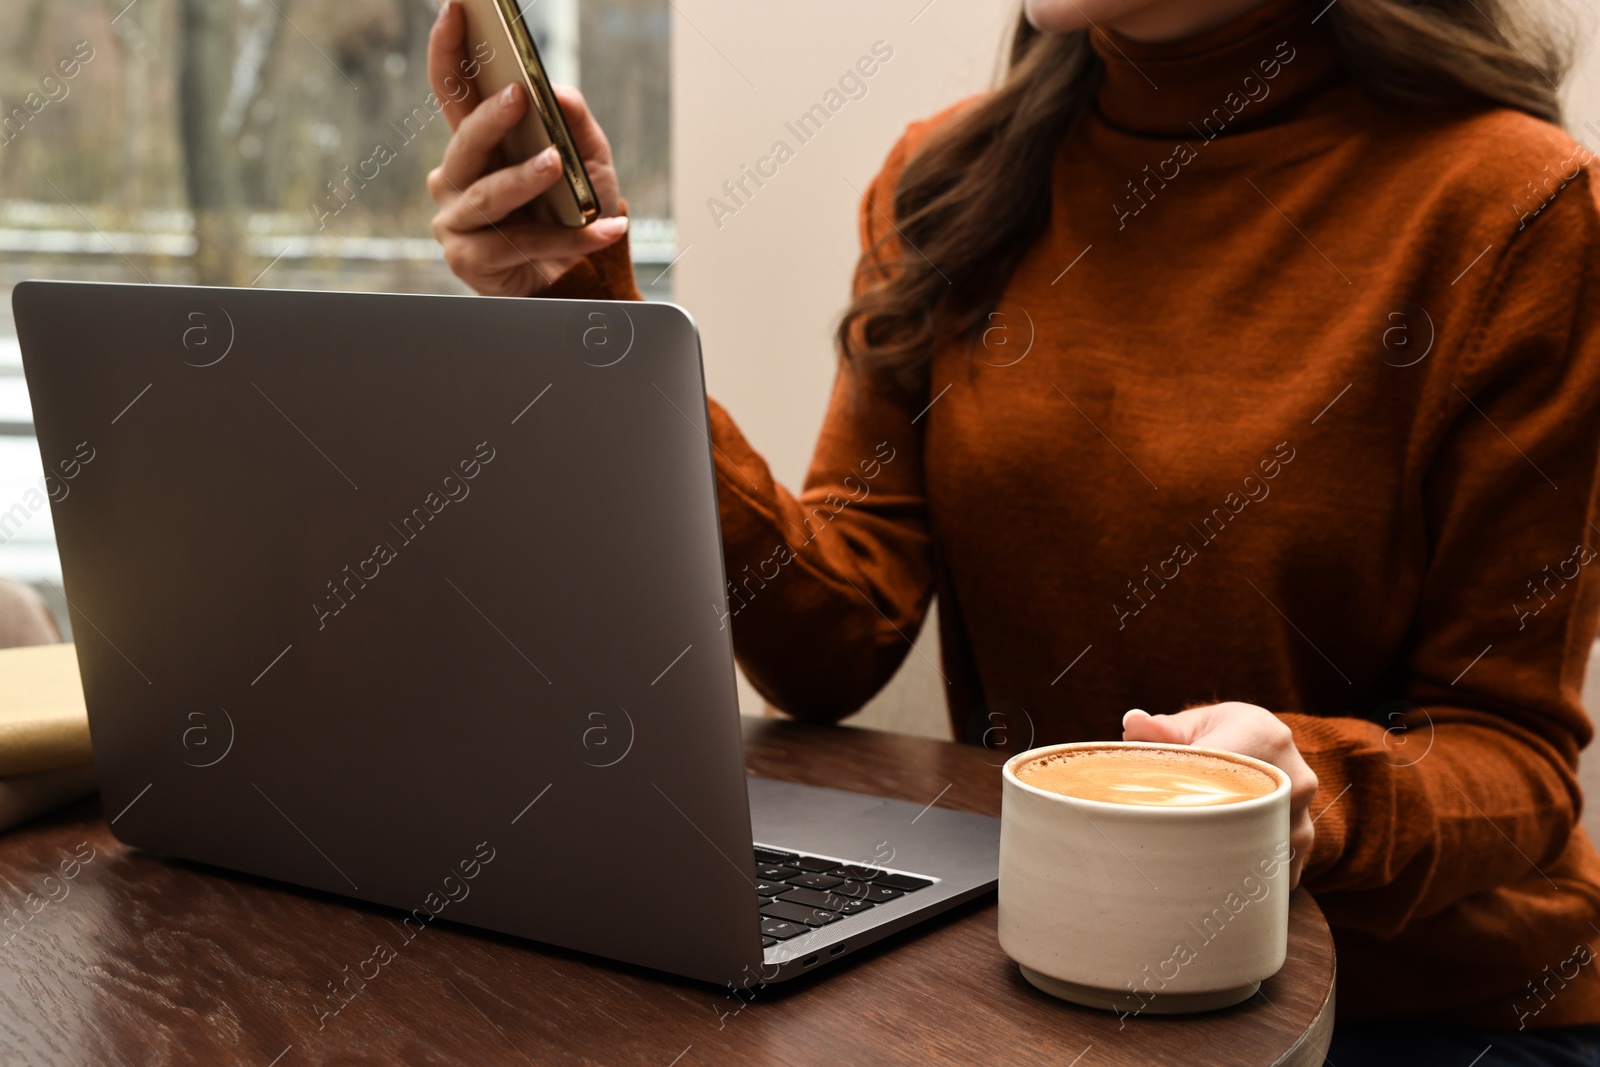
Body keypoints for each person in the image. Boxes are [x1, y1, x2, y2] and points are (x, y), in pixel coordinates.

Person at [424, 0, 1600, 1060]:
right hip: (1047, 989)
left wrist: (1306, 797)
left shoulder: (1519, 206)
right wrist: (590, 314)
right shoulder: (948, 180)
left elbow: (1515, 753)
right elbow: (830, 637)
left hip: (1429, 1010)